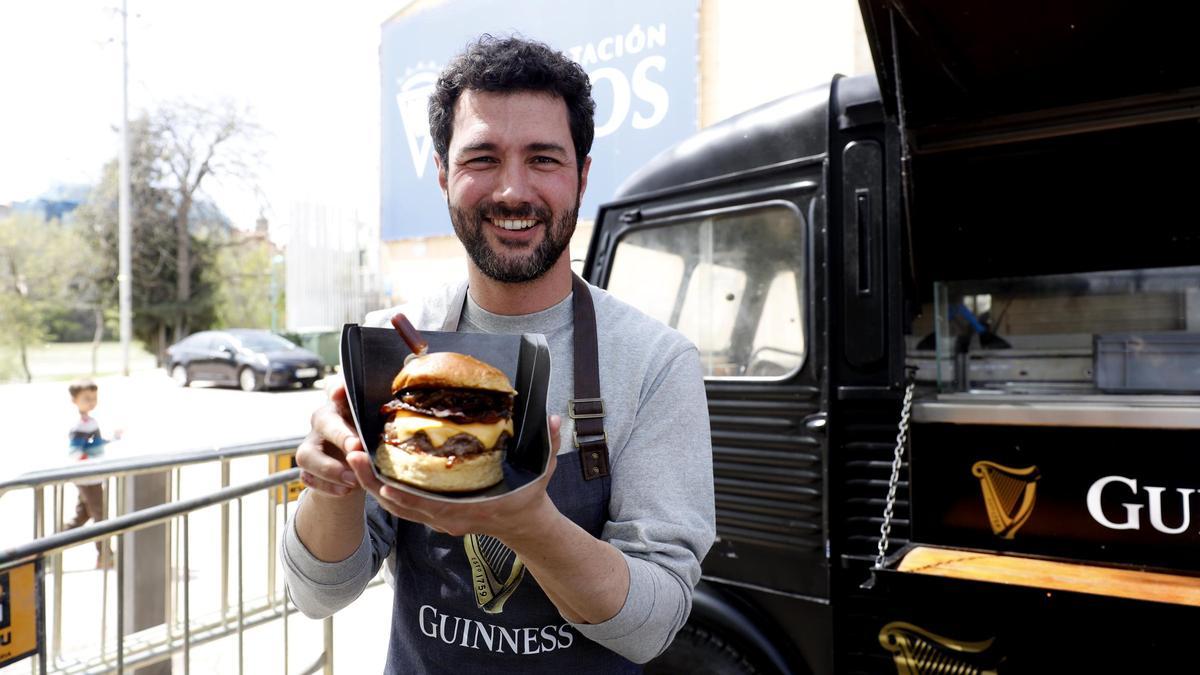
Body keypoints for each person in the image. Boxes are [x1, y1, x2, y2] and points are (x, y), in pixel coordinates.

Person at [282, 35, 714, 673]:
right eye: (482, 157)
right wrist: (333, 486)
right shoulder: (391, 343)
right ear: (442, 173)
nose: (513, 190)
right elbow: (319, 594)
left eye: (543, 159)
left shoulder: (654, 363)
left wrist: (530, 525)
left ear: (582, 175)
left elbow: (651, 626)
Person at [65, 379, 117, 568]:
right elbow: (75, 451)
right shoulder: (79, 425)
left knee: (83, 515)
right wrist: (87, 461)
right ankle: (105, 555)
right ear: (75, 400)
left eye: (94, 398)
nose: (91, 402)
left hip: (91, 475)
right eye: (86, 398)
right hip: (87, 476)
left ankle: (44, 547)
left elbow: (95, 443)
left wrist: (111, 439)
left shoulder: (90, 422)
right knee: (100, 515)